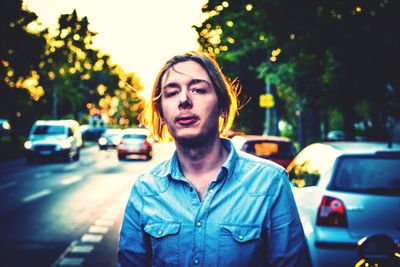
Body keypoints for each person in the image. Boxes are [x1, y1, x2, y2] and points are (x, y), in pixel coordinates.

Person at [118, 51, 310, 266]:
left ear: (222, 106)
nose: (184, 100)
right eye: (172, 93)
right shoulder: (145, 189)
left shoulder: (270, 183)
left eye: (198, 89)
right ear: (161, 114)